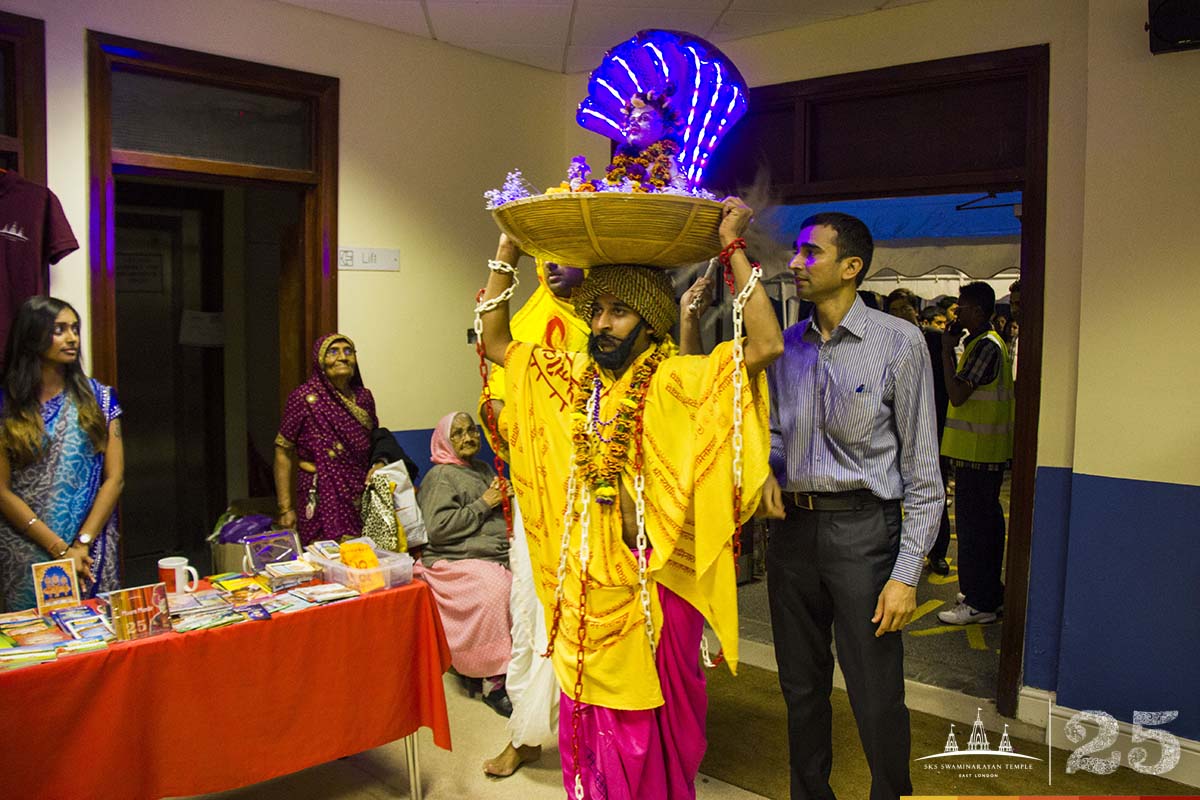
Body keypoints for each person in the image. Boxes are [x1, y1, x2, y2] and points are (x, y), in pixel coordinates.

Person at [478, 196, 783, 799]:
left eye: (619, 313)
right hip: (584, 582)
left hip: (656, 586)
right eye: (598, 312)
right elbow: (493, 342)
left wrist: (733, 250)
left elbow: (766, 346)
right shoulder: (574, 381)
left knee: (656, 726)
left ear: (650, 320)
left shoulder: (676, 377)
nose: (602, 325)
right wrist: (507, 251)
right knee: (586, 719)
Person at [763, 212, 943, 800]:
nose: (795, 263)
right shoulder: (784, 348)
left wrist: (906, 576)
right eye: (796, 251)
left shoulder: (899, 342)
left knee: (874, 691)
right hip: (791, 533)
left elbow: (923, 472)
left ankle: (890, 793)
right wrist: (764, 469)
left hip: (865, 533)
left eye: (810, 253)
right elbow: (773, 435)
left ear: (851, 267)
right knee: (800, 686)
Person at [480, 258, 587, 776]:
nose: (554, 269)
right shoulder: (527, 319)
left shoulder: (618, 320)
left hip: (598, 494)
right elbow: (496, 373)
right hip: (536, 488)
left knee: (592, 614)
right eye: (546, 258)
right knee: (530, 609)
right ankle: (526, 732)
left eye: (568, 260)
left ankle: (594, 735)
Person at [0, 296, 124, 610]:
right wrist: (57, 547)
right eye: (59, 329)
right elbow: (1, 491)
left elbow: (115, 478)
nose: (72, 338)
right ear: (32, 336)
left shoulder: (99, 398)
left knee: (96, 643)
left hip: (89, 548)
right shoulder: (6, 406)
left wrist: (81, 543)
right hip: (26, 547)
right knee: (35, 648)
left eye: (74, 328)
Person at [417, 411, 514, 717]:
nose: (469, 438)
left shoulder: (484, 468)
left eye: (471, 431)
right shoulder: (441, 477)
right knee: (497, 588)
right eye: (457, 434)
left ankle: (521, 669)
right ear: (444, 441)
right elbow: (437, 529)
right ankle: (492, 679)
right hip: (453, 560)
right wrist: (485, 502)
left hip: (492, 554)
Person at [936, 282, 1014, 626]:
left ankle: (979, 601)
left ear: (979, 312)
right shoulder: (986, 342)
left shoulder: (984, 346)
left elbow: (957, 394)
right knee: (985, 528)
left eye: (962, 308)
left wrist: (944, 351)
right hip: (980, 454)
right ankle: (986, 593)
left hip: (978, 456)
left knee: (973, 531)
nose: (957, 312)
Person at [274, 333, 378, 546]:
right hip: (320, 492)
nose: (343, 357)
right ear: (320, 361)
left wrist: (378, 463)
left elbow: (376, 441)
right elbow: (282, 450)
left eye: (348, 352)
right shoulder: (304, 398)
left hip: (359, 491)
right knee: (322, 558)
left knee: (359, 556)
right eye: (334, 352)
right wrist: (285, 507)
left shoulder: (364, 398)